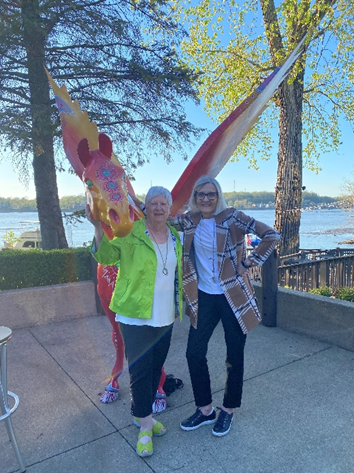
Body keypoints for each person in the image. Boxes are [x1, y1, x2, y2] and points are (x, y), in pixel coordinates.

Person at [176, 176, 280, 437]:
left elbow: (271, 235)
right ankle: (205, 409)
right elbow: (158, 215)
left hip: (233, 295)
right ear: (195, 196)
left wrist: (249, 262)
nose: (206, 199)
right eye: (201, 194)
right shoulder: (189, 220)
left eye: (211, 194)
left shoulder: (233, 217)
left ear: (218, 195)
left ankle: (228, 410)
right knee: (194, 352)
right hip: (204, 297)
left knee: (234, 355)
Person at [87, 186, 183, 457]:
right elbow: (105, 256)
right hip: (134, 316)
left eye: (163, 203)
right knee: (140, 372)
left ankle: (141, 415)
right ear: (146, 207)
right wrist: (97, 227)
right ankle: (144, 427)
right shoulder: (131, 234)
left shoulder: (175, 236)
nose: (158, 207)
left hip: (165, 316)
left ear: (169, 208)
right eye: (153, 202)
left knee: (155, 370)